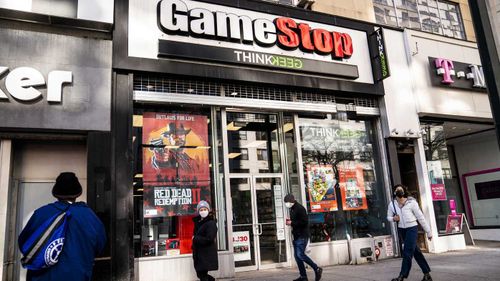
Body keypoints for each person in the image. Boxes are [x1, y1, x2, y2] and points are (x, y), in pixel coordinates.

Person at [18, 172, 106, 281]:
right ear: (78, 194)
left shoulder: (41, 213)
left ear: (56, 193)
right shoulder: (90, 217)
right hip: (78, 276)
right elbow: (100, 245)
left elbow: (24, 243)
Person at [387, 184, 433, 281]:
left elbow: (421, 217)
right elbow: (388, 217)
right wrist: (393, 218)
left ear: (404, 191)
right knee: (416, 252)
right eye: (397, 190)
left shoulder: (411, 202)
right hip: (402, 229)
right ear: (395, 192)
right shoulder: (392, 204)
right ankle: (427, 274)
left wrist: (428, 232)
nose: (399, 192)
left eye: (401, 190)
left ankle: (402, 275)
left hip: (412, 228)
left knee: (407, 252)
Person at [284, 194, 323, 281]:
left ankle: (316, 268)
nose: (286, 204)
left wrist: (292, 223)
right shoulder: (292, 209)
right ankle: (303, 277)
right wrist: (290, 222)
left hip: (302, 235)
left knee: (300, 255)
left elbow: (304, 222)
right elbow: (295, 221)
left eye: (287, 202)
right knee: (297, 257)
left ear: (291, 201)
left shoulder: (300, 208)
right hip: (297, 235)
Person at [192, 200, 218, 281]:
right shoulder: (199, 222)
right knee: (201, 274)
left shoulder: (211, 223)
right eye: (201, 210)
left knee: (202, 275)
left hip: (206, 254)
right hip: (199, 253)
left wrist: (195, 238)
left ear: (208, 210)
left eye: (205, 209)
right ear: (198, 211)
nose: (203, 211)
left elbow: (209, 238)